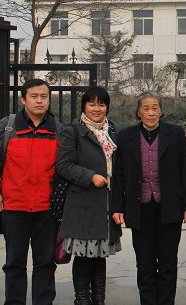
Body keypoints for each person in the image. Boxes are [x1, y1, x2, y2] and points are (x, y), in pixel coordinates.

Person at [0, 78, 63, 305]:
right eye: (34, 96)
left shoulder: (57, 130)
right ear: (23, 99)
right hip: (14, 207)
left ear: (49, 100)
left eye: (44, 96)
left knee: (45, 263)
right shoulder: (8, 127)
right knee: (14, 263)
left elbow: (64, 168)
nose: (39, 101)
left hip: (47, 209)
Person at [111, 91, 186, 305]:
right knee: (145, 264)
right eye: (146, 108)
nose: (151, 113)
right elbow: (119, 175)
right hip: (139, 209)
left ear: (161, 111)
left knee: (168, 263)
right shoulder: (126, 136)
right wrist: (118, 207)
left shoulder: (175, 133)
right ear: (138, 112)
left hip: (169, 208)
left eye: (155, 108)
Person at [56, 86, 121, 305]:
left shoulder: (114, 132)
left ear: (107, 107)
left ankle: (99, 299)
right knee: (84, 257)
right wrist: (90, 176)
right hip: (82, 203)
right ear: (84, 106)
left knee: (100, 255)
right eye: (92, 104)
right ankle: (82, 300)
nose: (97, 108)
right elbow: (64, 165)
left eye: (101, 104)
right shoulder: (73, 131)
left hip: (106, 204)